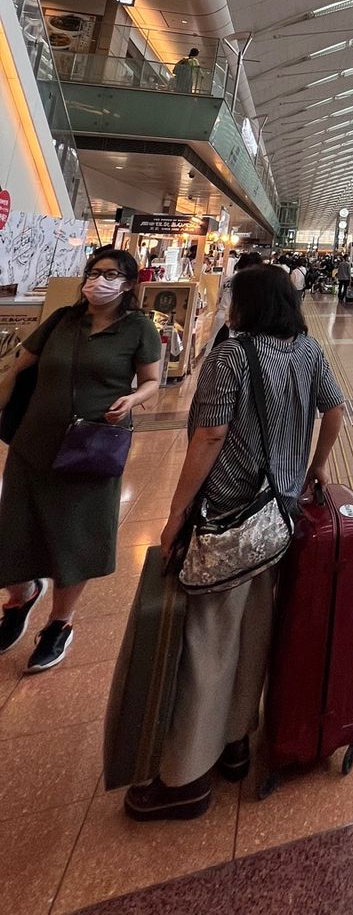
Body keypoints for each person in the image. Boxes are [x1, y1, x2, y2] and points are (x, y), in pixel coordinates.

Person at [124, 265, 343, 821]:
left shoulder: (231, 356)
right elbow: (336, 409)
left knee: (209, 639)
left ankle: (186, 776)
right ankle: (237, 741)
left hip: (229, 515)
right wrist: (316, 467)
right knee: (253, 629)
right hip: (279, 515)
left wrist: (176, 514)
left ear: (248, 304)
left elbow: (210, 436)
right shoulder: (308, 352)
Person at [0, 249, 162, 672]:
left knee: (75, 537)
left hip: (91, 449)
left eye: (110, 274)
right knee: (15, 529)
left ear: (128, 284)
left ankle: (59, 624)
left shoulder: (138, 328)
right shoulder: (62, 320)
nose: (98, 281)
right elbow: (18, 368)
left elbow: (152, 380)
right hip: (34, 443)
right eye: (93, 272)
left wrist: (133, 399)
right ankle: (20, 599)